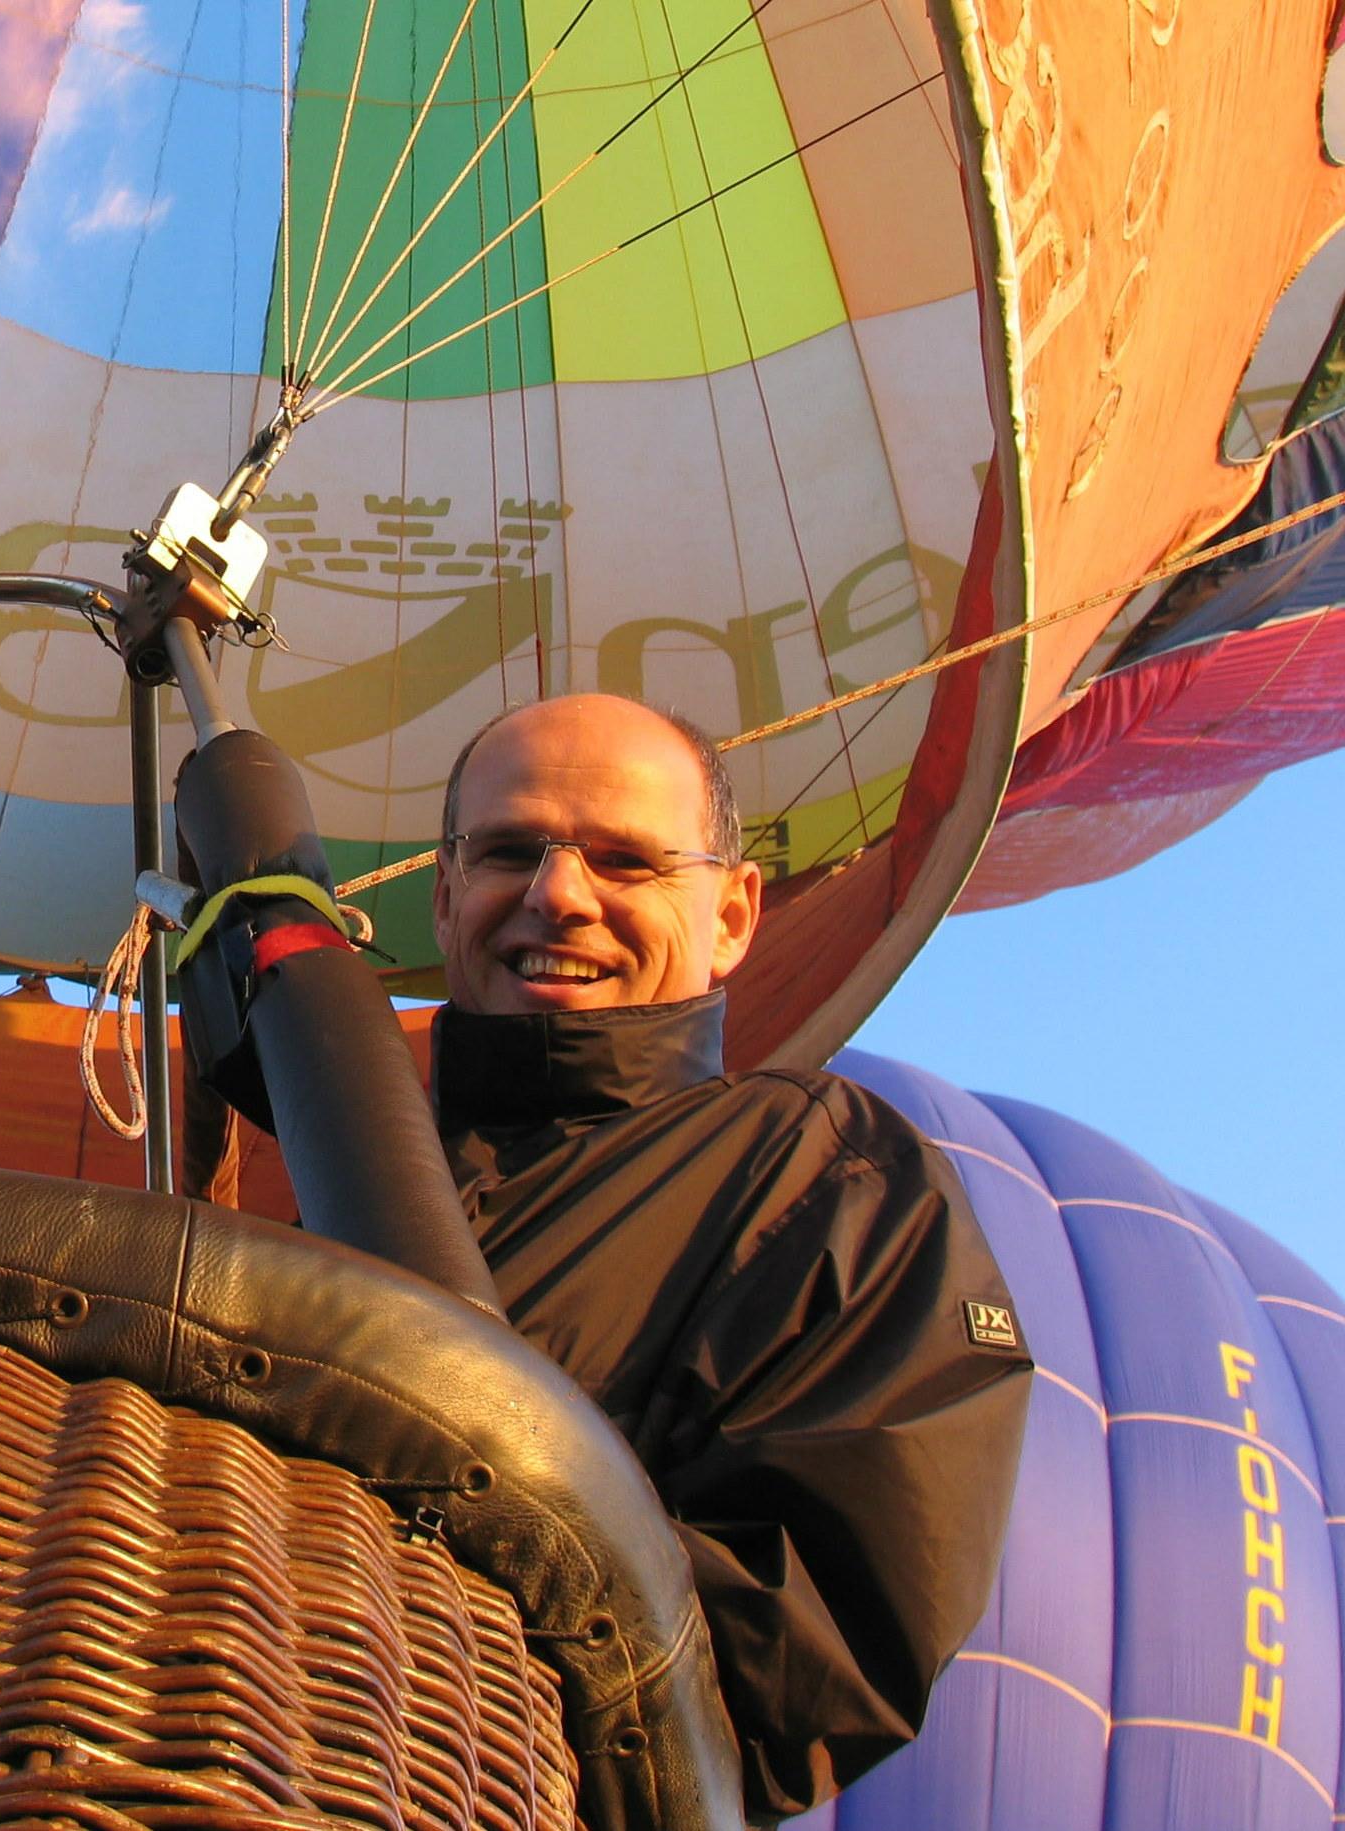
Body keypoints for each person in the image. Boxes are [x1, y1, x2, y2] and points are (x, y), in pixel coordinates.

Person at [423, 693, 1030, 1819]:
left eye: (625, 860)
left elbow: (812, 1648)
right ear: (444, 894)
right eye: (509, 850)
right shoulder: (329, 1190)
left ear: (733, 914)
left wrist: (412, 1594)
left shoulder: (817, 1176)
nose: (558, 894)